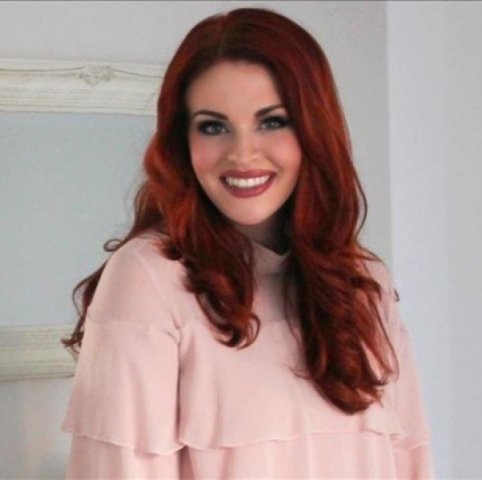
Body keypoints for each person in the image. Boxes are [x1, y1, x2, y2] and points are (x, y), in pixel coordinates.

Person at [61, 7, 434, 479]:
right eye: (213, 126)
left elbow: (410, 465)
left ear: (314, 130)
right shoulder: (149, 279)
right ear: (182, 140)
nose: (242, 154)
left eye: (272, 122)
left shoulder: (364, 285)